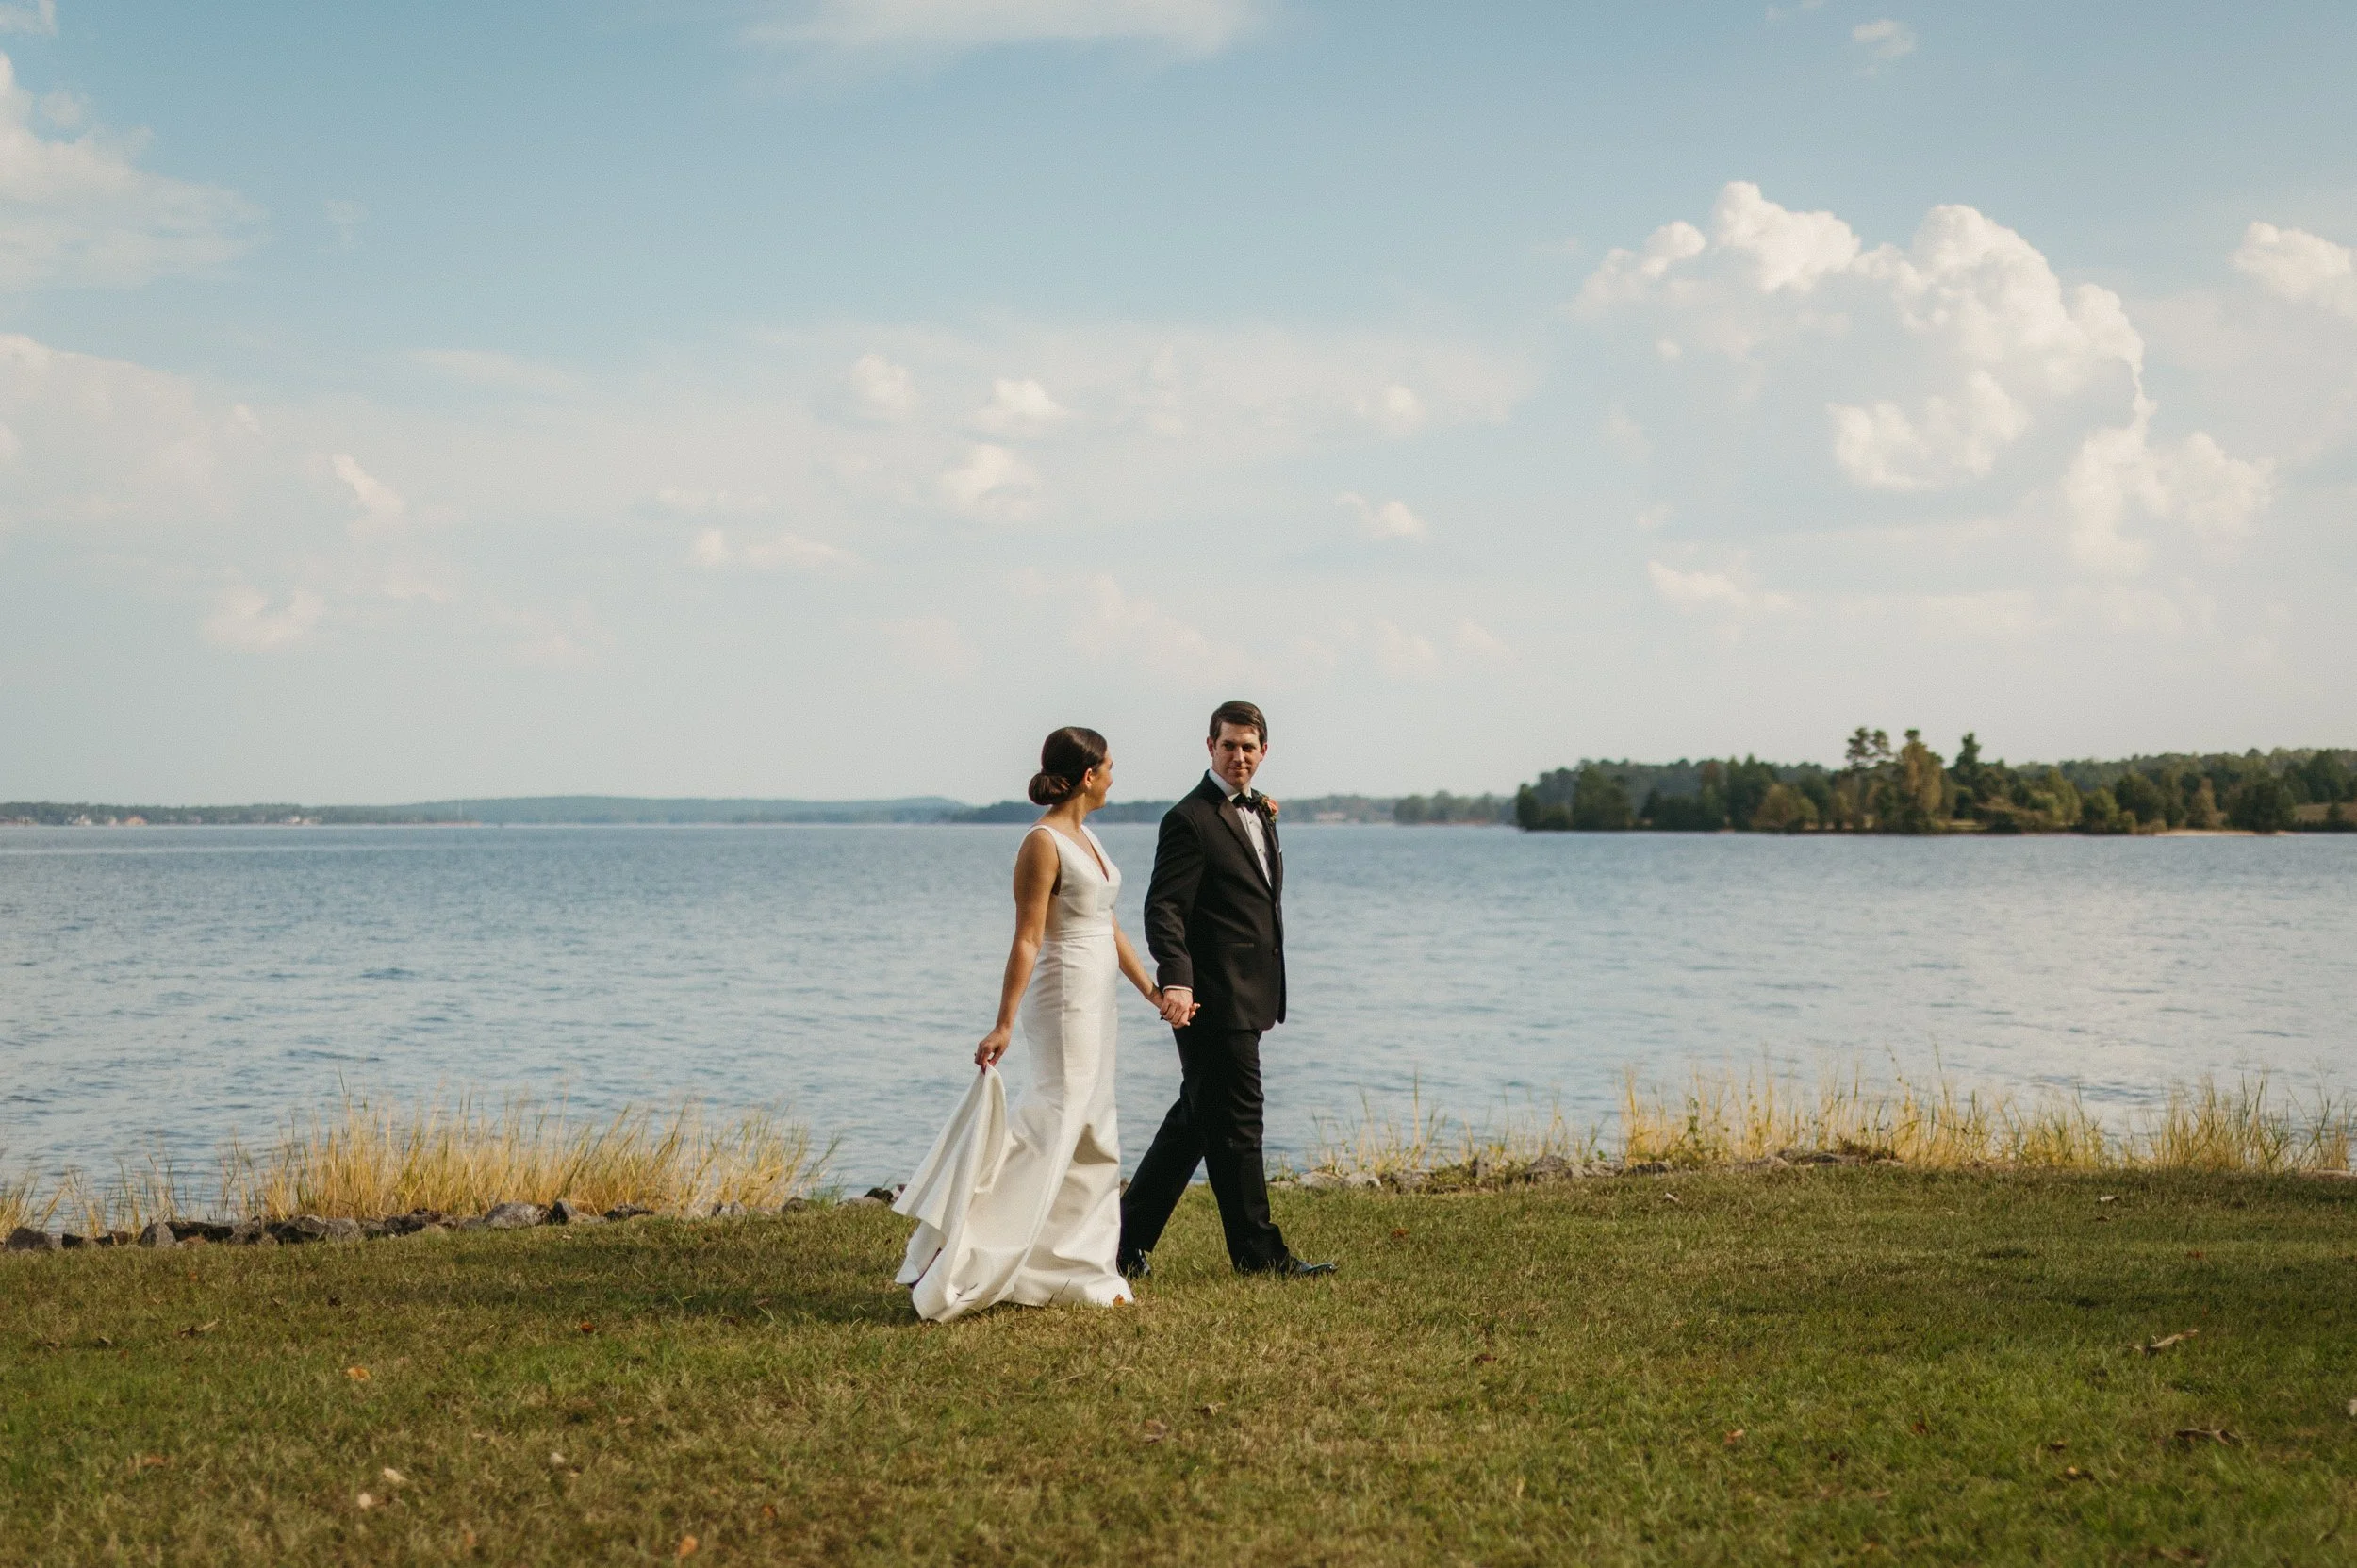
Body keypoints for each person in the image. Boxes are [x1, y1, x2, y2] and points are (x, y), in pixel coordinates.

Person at [892, 726, 1177, 1322]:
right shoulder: (1042, 843)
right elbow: (1027, 938)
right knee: (1056, 1118)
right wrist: (1002, 1024)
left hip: (1100, 997)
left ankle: (1078, 1265)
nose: (1116, 774)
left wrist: (1151, 990)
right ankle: (964, 1248)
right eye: (1110, 765)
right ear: (1088, 775)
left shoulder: (1088, 839)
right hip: (1064, 992)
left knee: (1095, 1125)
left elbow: (1109, 925)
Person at [1118, 700, 1337, 1279]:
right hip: (1210, 997)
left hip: (1252, 991)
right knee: (1239, 1120)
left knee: (1198, 1116)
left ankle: (1122, 1241)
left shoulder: (1261, 812)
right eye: (1228, 745)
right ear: (1209, 747)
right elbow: (1164, 907)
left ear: (1263, 751)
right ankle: (1258, 1255)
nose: (1238, 756)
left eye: (1249, 746)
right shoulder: (1188, 819)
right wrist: (1177, 980)